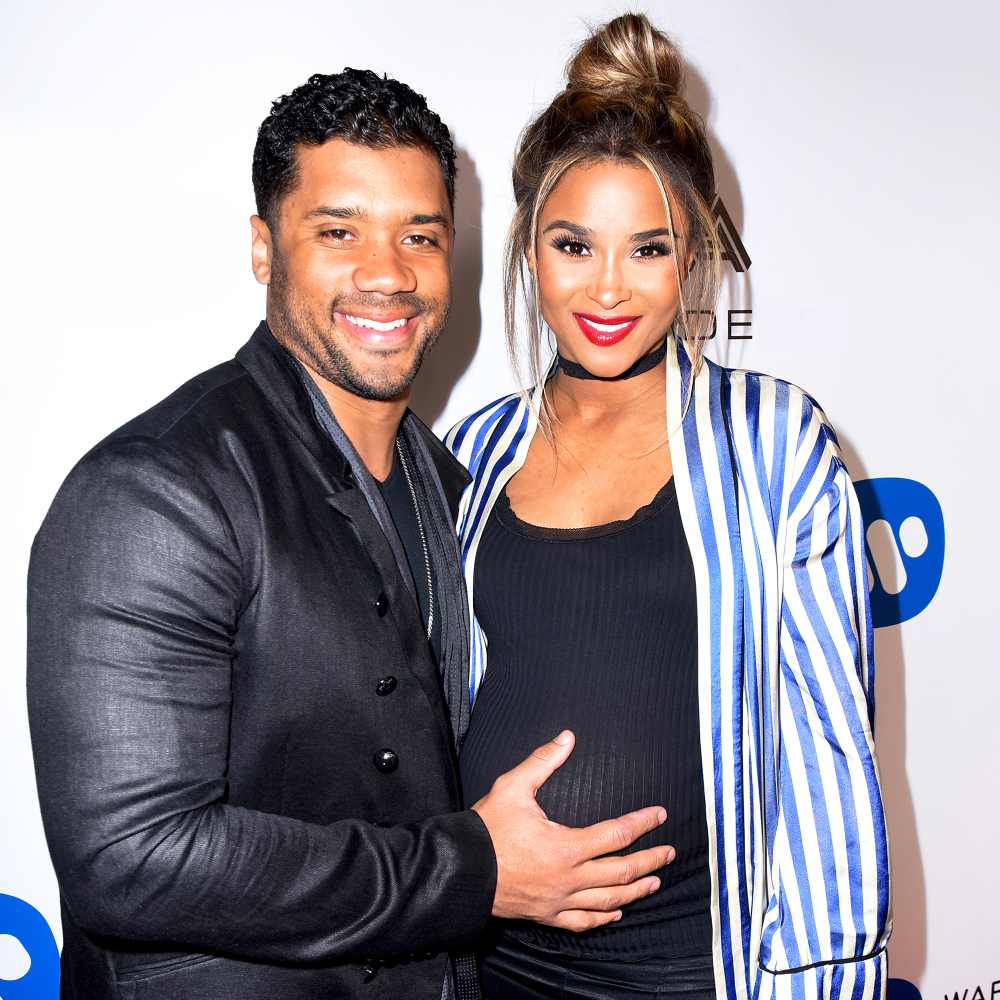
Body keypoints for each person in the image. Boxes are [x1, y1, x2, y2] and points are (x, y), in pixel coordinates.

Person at [26, 68, 677, 1000]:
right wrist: (476, 870)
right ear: (264, 248)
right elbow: (133, 858)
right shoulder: (157, 491)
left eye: (421, 236)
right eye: (339, 232)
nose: (388, 272)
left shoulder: (454, 478)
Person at [448, 14, 892, 1000]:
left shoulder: (772, 442)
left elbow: (828, 762)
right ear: (528, 247)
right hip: (490, 969)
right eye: (574, 244)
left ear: (691, 252)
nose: (608, 286)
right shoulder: (470, 455)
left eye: (645, 249)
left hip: (694, 975)